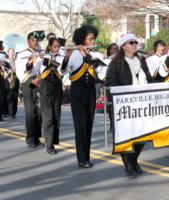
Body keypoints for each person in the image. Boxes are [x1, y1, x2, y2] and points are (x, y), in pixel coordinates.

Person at [105, 33, 153, 178]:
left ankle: (134, 160)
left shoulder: (142, 60)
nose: (134, 45)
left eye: (135, 42)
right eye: (131, 42)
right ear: (124, 46)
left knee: (142, 135)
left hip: (142, 104)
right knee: (126, 137)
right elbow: (109, 83)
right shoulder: (116, 63)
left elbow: (149, 79)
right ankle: (128, 165)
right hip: (123, 106)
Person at [61, 25, 101, 168]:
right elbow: (63, 71)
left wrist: (88, 57)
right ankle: (81, 159)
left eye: (93, 39)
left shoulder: (96, 54)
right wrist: (66, 57)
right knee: (81, 124)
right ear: (82, 39)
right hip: (77, 91)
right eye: (90, 39)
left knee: (89, 124)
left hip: (90, 92)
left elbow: (100, 72)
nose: (92, 41)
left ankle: (87, 157)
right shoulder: (74, 54)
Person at [15, 32, 42, 148]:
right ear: (28, 41)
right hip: (28, 82)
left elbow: (43, 68)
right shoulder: (22, 54)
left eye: (36, 40)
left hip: (39, 82)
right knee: (30, 111)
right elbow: (20, 71)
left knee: (40, 111)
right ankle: (30, 138)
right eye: (33, 40)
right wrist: (30, 81)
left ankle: (37, 137)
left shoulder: (41, 53)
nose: (35, 42)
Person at [38, 38, 63, 154]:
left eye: (58, 47)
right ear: (49, 47)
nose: (56, 49)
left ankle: (53, 141)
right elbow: (41, 70)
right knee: (48, 117)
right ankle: (49, 145)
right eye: (54, 47)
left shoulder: (61, 57)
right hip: (45, 88)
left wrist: (66, 57)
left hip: (57, 88)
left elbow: (64, 70)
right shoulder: (43, 57)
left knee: (56, 116)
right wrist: (45, 60)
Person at [5, 48, 20, 119]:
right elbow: (3, 69)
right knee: (9, 96)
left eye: (13, 52)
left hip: (16, 78)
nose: (12, 53)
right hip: (8, 77)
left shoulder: (17, 61)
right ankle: (9, 112)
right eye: (10, 52)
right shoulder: (6, 61)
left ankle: (13, 112)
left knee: (15, 96)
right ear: (8, 53)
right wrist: (8, 77)